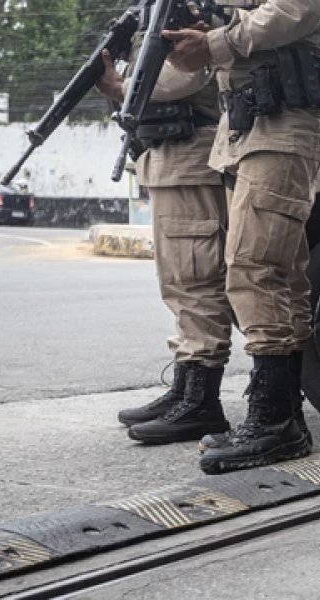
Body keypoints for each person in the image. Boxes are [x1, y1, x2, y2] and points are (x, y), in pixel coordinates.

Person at [162, 0, 320, 475]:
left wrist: (213, 42)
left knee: (255, 267)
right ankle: (278, 414)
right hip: (251, 121)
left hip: (284, 120)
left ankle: (275, 422)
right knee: (278, 271)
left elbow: (295, 11)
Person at [96, 40, 235, 447]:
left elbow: (184, 75)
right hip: (169, 156)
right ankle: (185, 390)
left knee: (197, 278)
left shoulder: (191, 9)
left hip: (192, 152)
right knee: (177, 281)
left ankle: (201, 402)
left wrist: (123, 88)